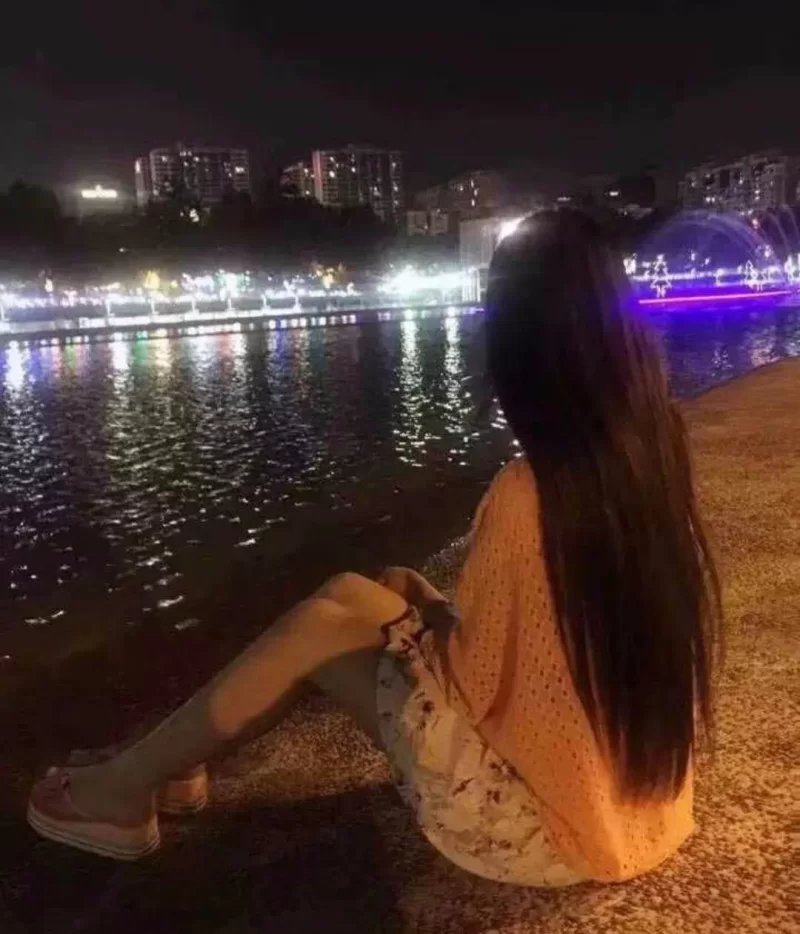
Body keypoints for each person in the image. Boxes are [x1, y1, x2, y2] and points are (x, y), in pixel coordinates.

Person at [28, 208, 721, 885]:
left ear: (521, 342)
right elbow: (556, 646)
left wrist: (423, 622)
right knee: (359, 592)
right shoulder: (649, 453)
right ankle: (167, 759)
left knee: (319, 630)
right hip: (633, 804)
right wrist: (422, 610)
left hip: (550, 830)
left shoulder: (528, 492)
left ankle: (120, 793)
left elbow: (476, 689)